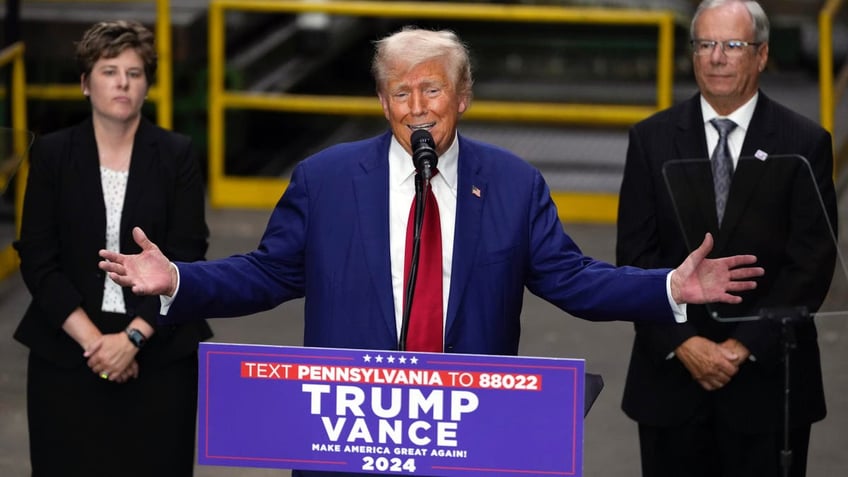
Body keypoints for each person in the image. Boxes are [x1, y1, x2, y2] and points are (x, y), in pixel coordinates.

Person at [100, 27, 762, 477]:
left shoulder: (511, 184)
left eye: (432, 90)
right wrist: (179, 279)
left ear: (463, 97)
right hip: (348, 435)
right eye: (400, 92)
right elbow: (268, 271)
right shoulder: (325, 180)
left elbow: (572, 278)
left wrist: (668, 288)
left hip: (463, 434)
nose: (417, 108)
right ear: (381, 101)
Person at [615, 1, 837, 476]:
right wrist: (685, 343)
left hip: (768, 385)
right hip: (670, 385)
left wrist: (740, 347)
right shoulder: (650, 140)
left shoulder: (804, 143)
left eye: (733, 45)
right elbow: (634, 259)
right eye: (705, 44)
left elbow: (812, 263)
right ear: (692, 54)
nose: (716, 57)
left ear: (761, 55)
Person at [13, 20, 212, 476]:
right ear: (85, 84)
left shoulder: (177, 154)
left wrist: (133, 338)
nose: (122, 82)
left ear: (146, 85)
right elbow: (38, 258)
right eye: (108, 70)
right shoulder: (51, 155)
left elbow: (188, 253)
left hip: (158, 350)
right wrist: (98, 346)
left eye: (135, 72)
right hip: (66, 349)